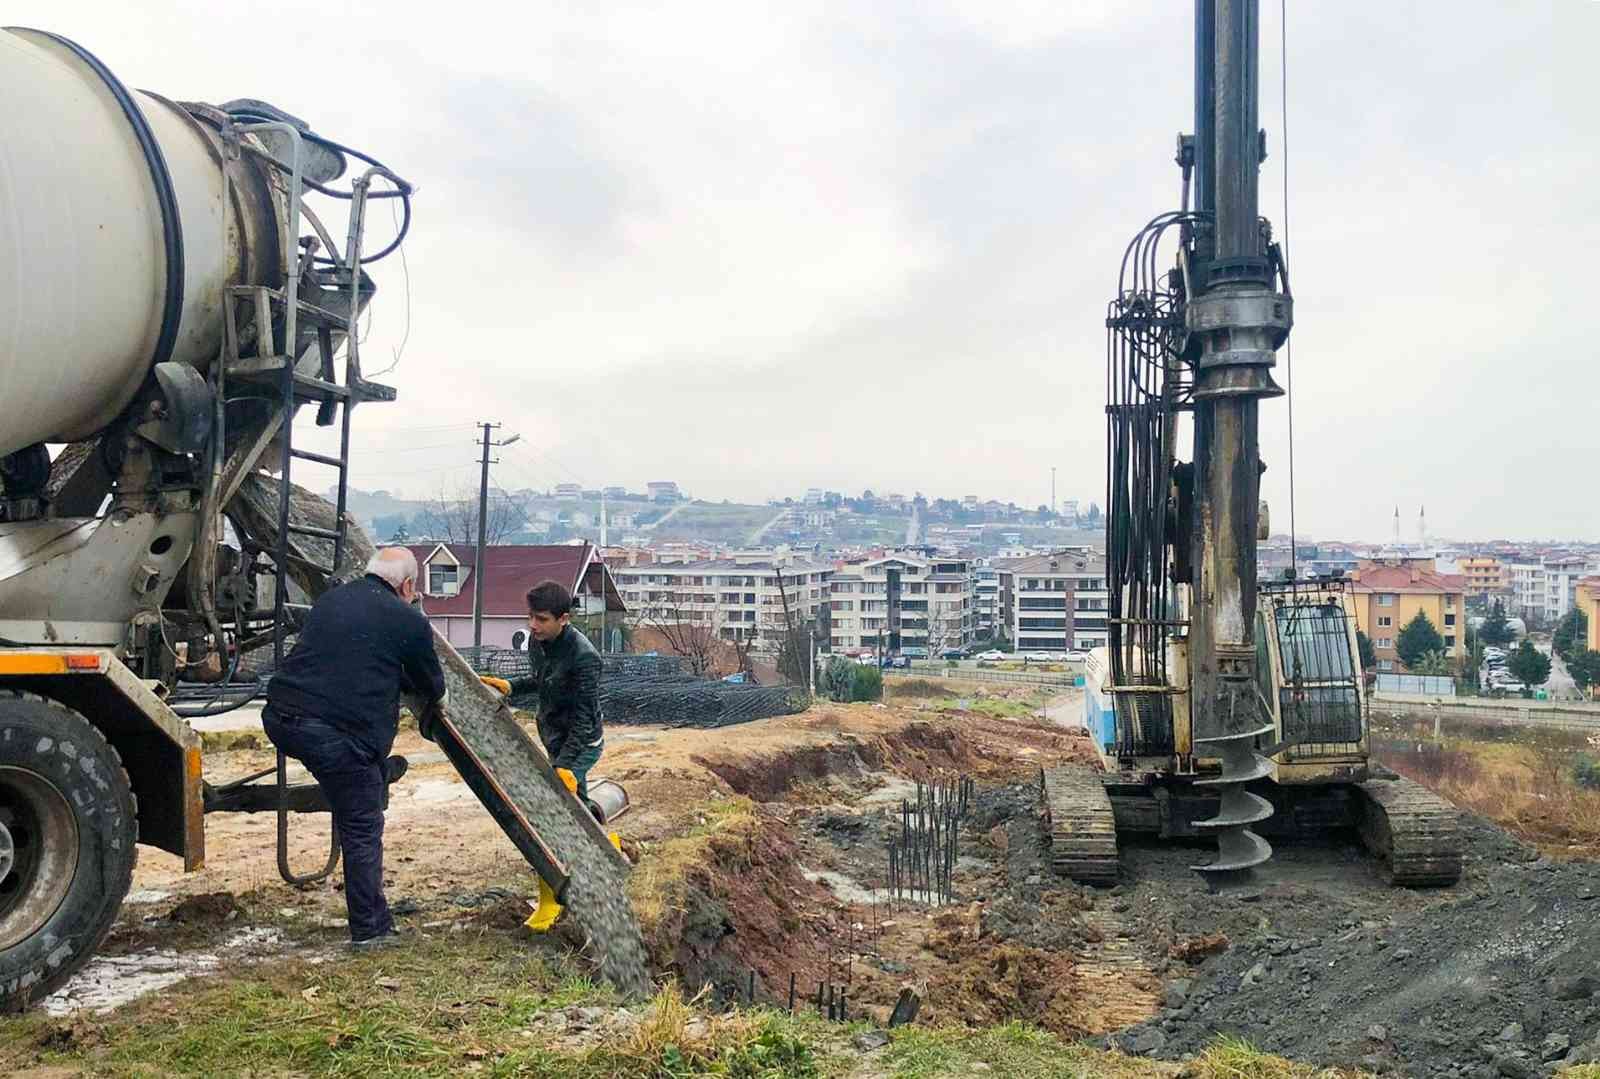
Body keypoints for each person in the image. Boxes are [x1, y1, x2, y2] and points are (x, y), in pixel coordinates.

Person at [263, 547, 446, 948]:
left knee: (356, 779)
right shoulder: (408, 621)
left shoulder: (331, 600)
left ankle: (376, 772)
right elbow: (433, 688)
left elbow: (347, 659)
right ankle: (371, 930)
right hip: (333, 733)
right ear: (408, 585)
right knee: (362, 823)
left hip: (281, 717)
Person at [480, 580, 603, 801]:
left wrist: (566, 762)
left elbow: (583, 718)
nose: (533, 625)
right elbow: (544, 679)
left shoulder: (584, 658)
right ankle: (597, 828)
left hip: (581, 743)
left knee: (564, 797)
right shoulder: (539, 640)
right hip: (554, 735)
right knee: (576, 799)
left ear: (563, 619)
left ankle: (593, 831)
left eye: (542, 619)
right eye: (531, 617)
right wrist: (512, 686)